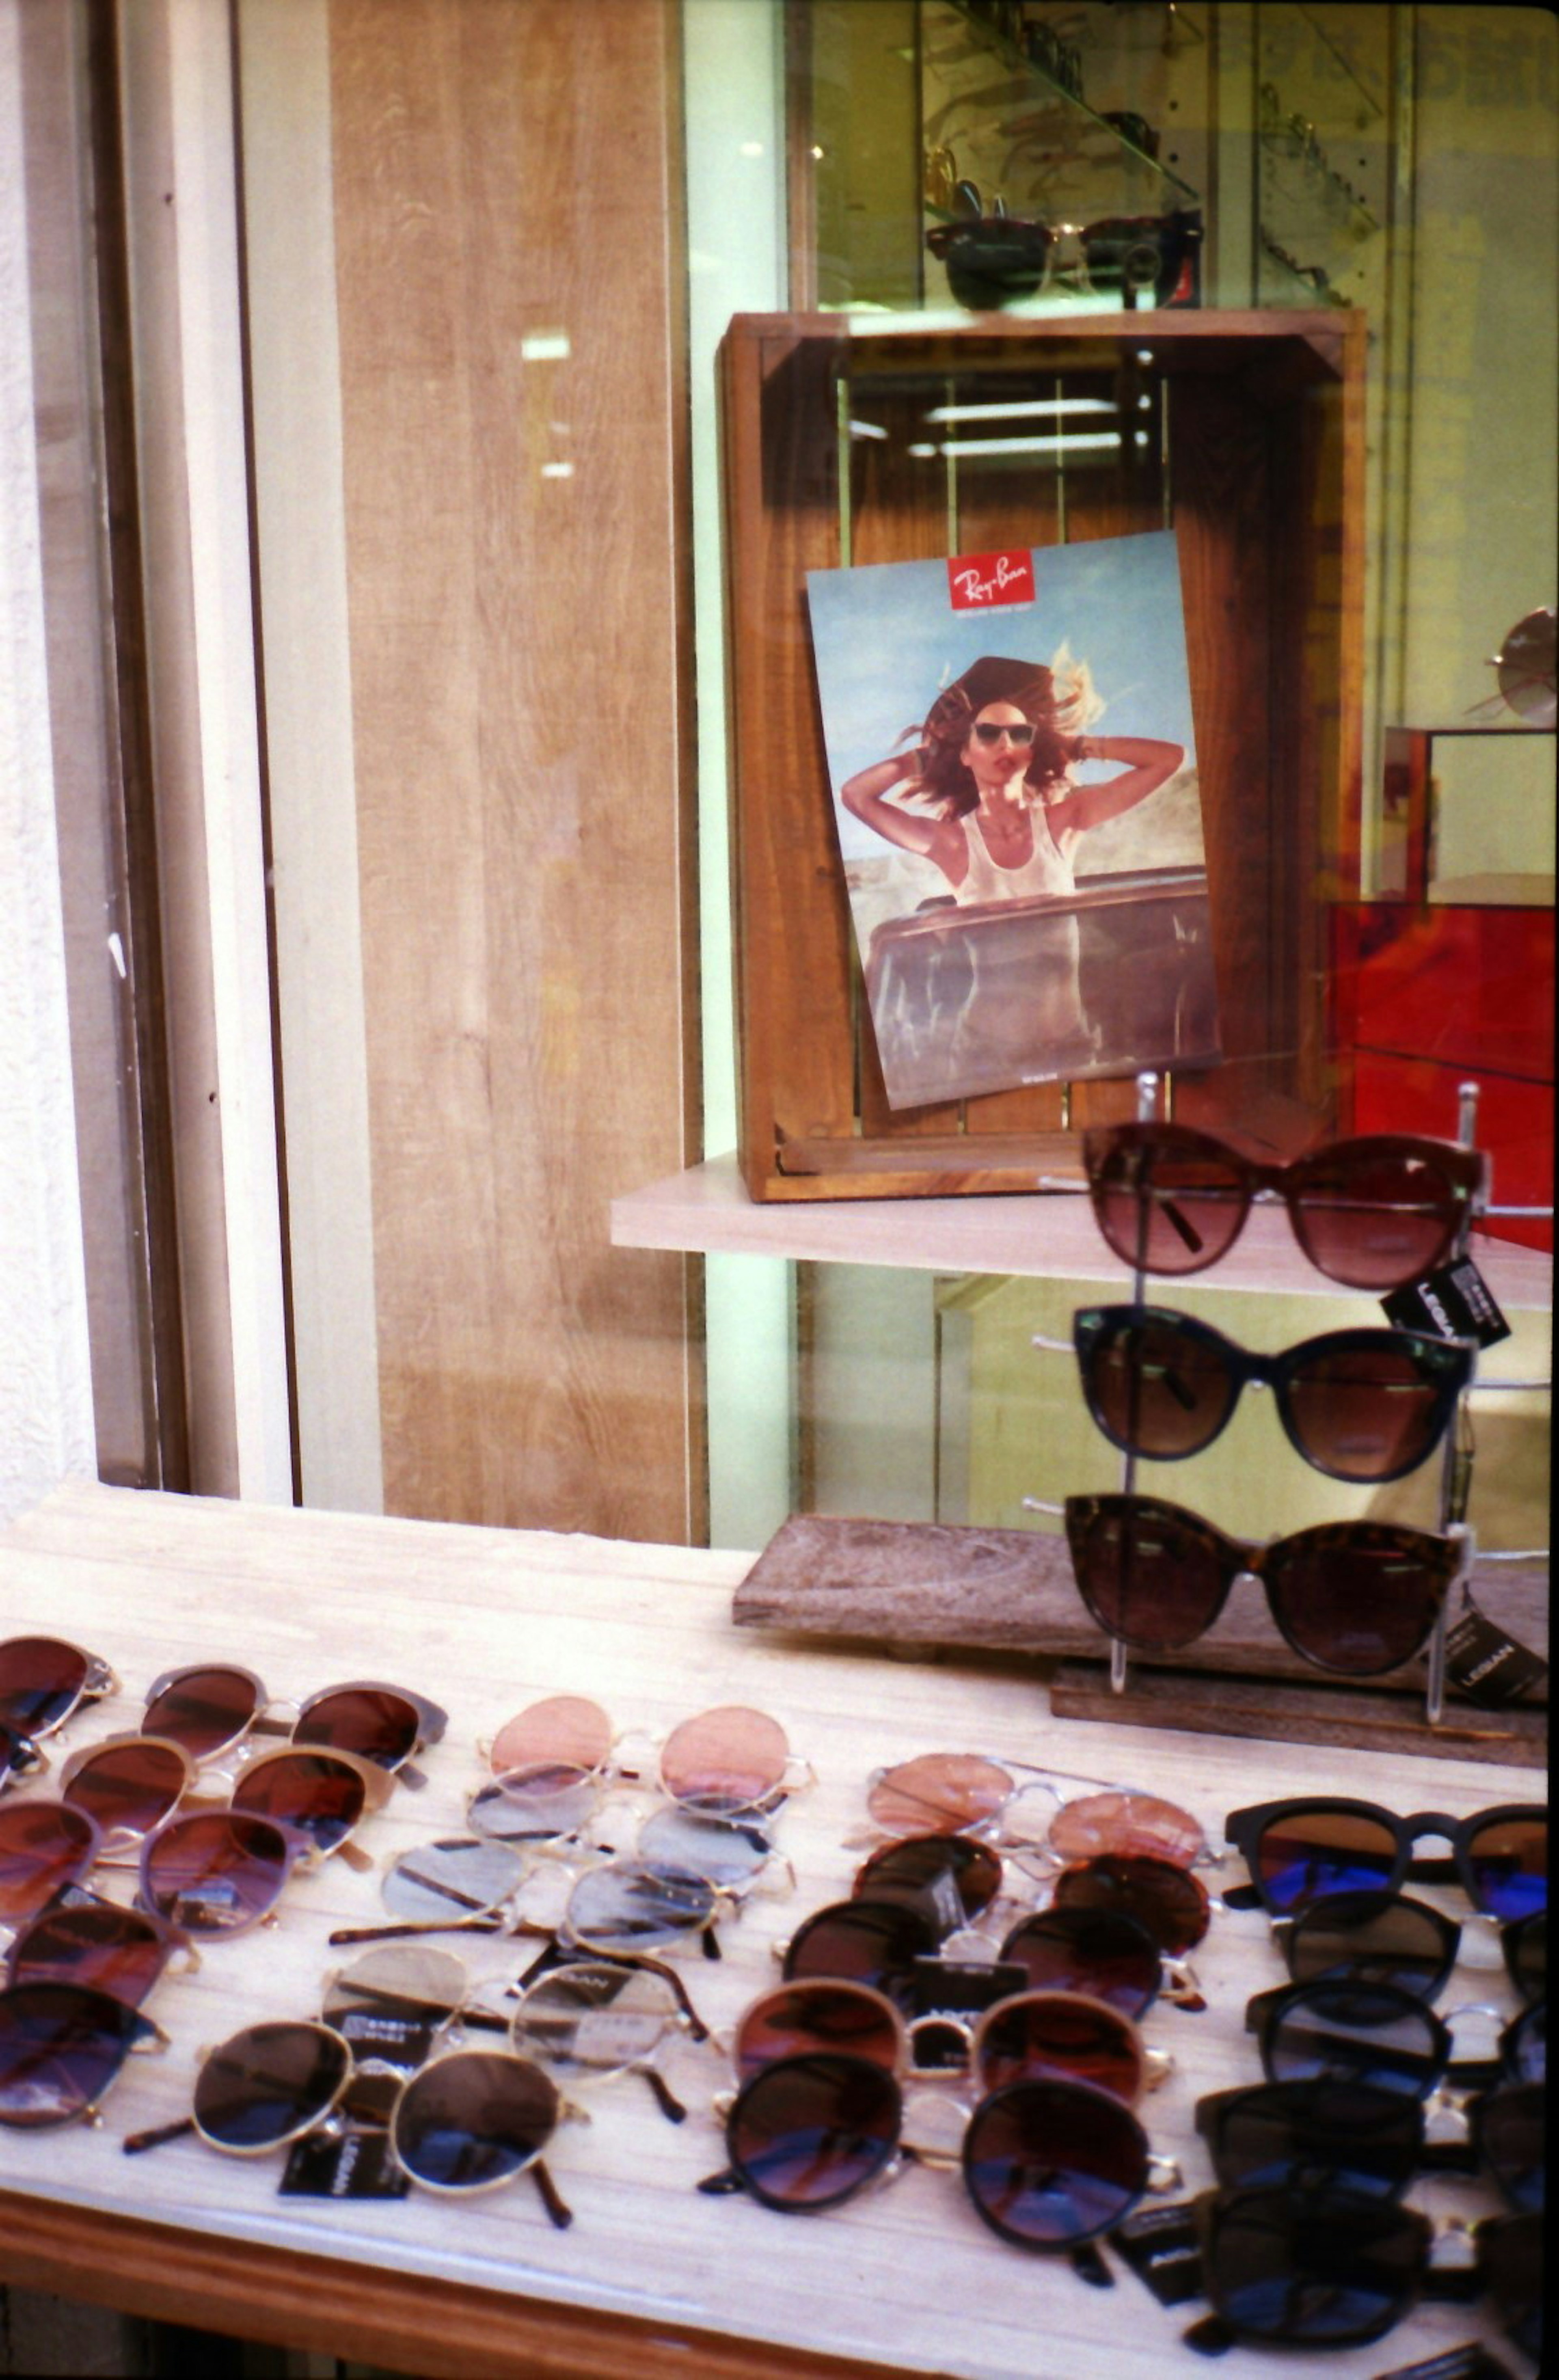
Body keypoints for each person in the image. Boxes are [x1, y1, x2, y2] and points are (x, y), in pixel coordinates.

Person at [839, 652, 1183, 906]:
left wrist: (1074, 745)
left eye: (1019, 734)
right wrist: (924, 758)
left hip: (1062, 1009)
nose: (1005, 743)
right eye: (988, 733)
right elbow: (856, 796)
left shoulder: (1063, 824)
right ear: (966, 755)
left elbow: (1168, 759)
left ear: (1030, 752)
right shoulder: (952, 843)